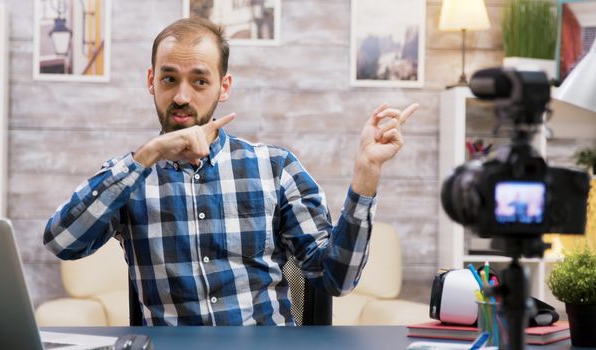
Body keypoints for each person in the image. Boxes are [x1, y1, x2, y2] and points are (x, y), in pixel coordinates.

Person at [43, 17, 419, 326]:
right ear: (151, 82)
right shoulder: (130, 175)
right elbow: (62, 242)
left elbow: (337, 278)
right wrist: (149, 154)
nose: (182, 97)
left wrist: (366, 170)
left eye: (200, 81)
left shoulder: (275, 167)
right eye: (169, 78)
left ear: (224, 87)